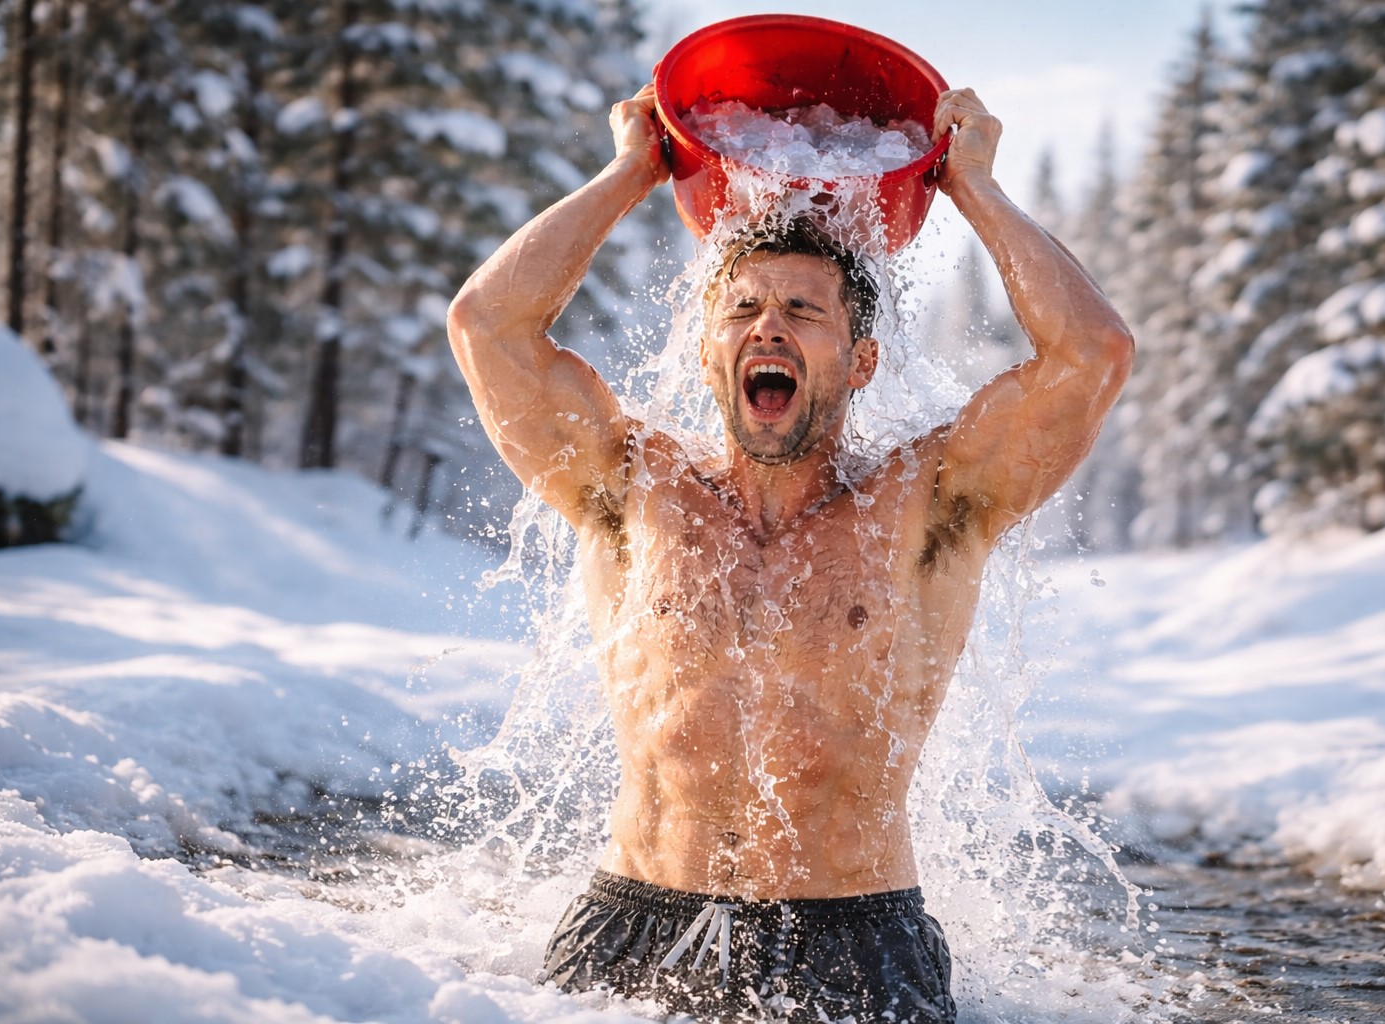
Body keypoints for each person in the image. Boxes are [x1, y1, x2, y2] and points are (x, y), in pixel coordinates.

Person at [447, 81, 1133, 1023]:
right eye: (743, 308)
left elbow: (1092, 354)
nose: (767, 326)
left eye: (804, 312)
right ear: (708, 353)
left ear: (861, 362)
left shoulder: (928, 503)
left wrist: (973, 186)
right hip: (634, 921)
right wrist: (630, 173)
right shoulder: (631, 486)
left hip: (853, 939)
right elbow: (486, 326)